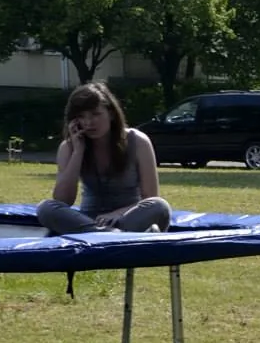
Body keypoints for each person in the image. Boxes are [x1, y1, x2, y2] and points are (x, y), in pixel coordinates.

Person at [38, 83, 171, 234]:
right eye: (82, 117)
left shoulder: (138, 141)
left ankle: (106, 236)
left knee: (160, 206)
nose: (89, 123)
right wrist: (78, 152)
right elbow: (63, 200)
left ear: (111, 114)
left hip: (127, 217)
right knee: (46, 208)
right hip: (87, 221)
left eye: (95, 114)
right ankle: (110, 236)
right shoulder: (69, 147)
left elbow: (151, 197)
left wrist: (117, 214)